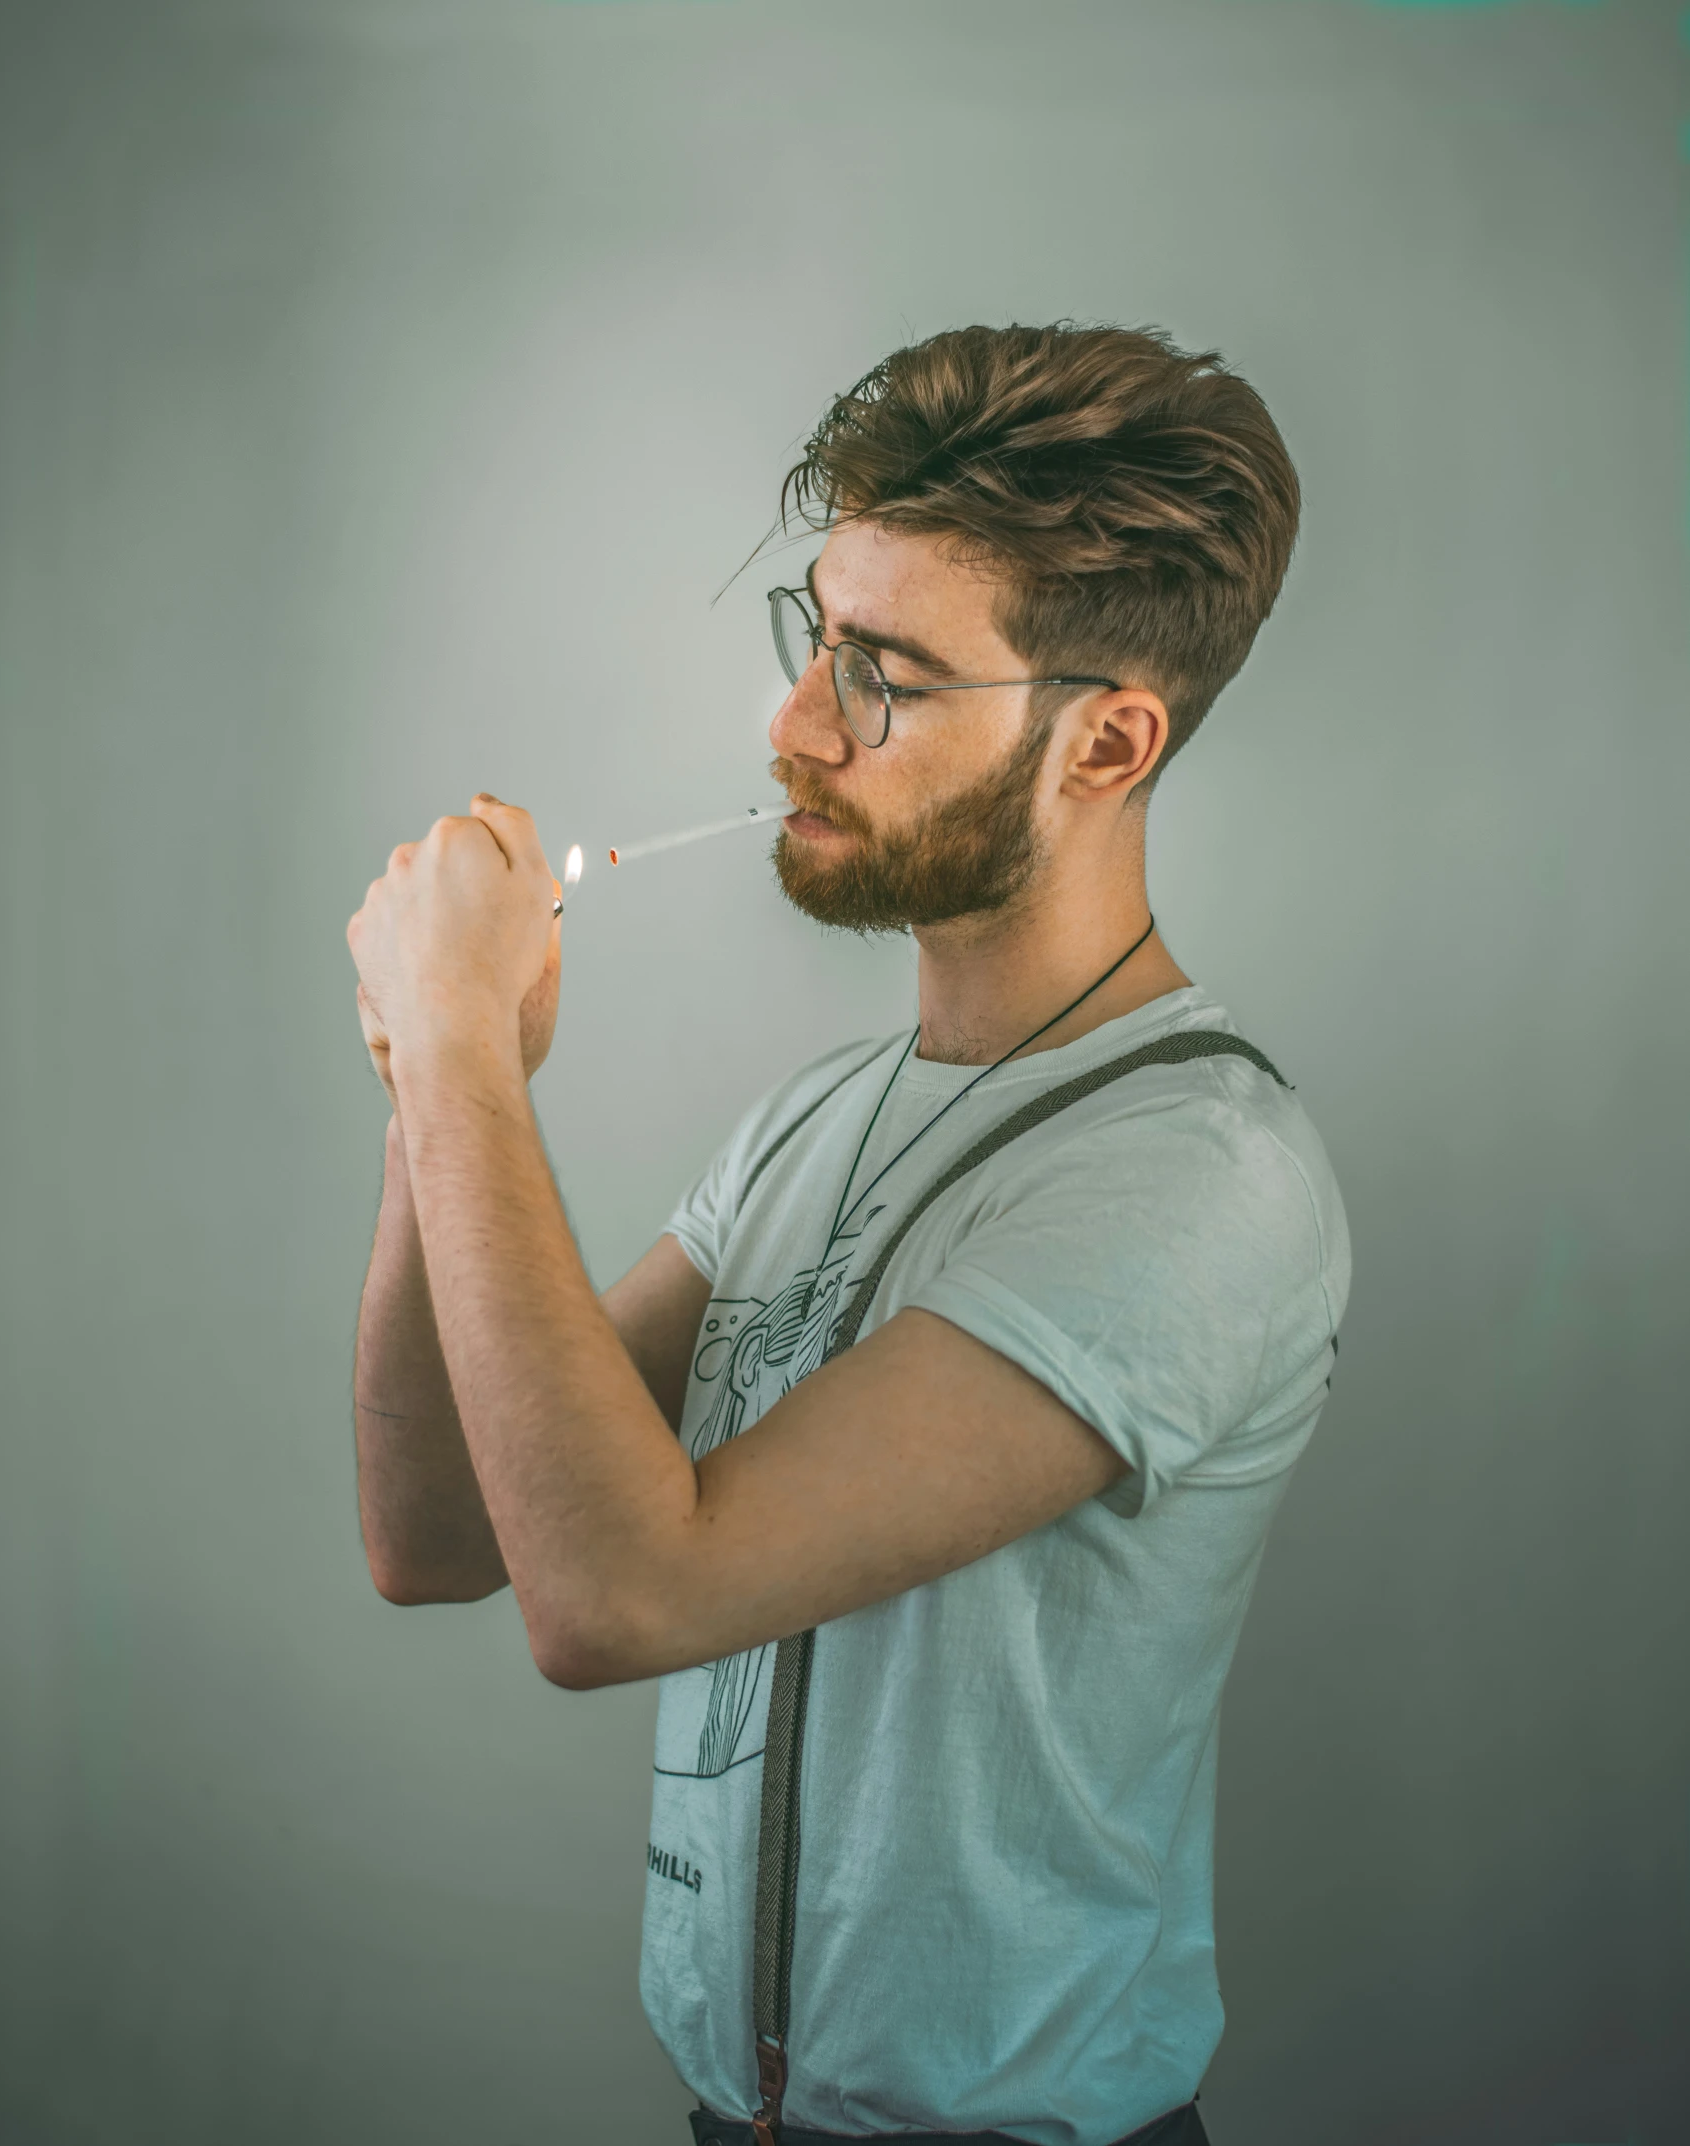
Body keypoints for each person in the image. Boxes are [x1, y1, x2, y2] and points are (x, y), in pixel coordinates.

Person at [346, 322, 1351, 2146]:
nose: (800, 725)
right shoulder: (813, 1121)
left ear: (1107, 741)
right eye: (817, 640)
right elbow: (440, 1536)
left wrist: (471, 1059)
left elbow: (615, 1595)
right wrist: (434, 1086)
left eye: (886, 675)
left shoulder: (1199, 1174)